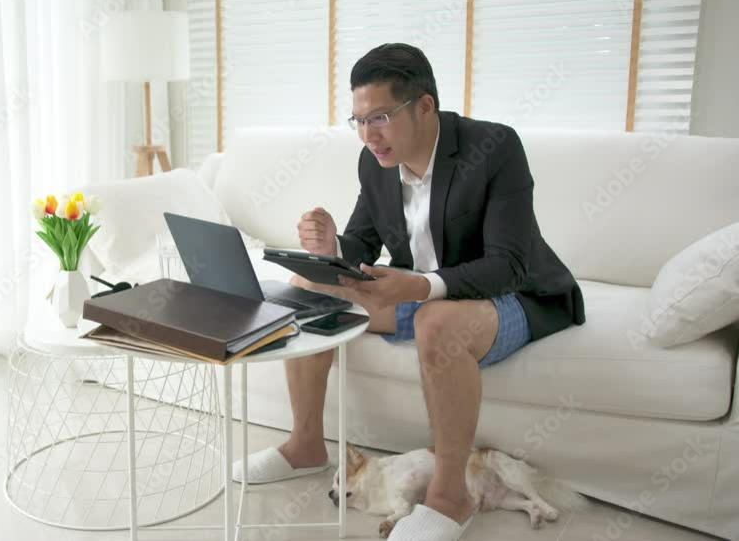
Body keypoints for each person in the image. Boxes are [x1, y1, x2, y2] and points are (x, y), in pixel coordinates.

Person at [235, 43, 585, 541]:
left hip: (514, 294)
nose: (367, 134)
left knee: (434, 320)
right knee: (307, 286)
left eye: (379, 117)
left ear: (424, 106)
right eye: (358, 120)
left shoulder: (494, 147)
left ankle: (450, 496)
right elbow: (363, 243)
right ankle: (305, 445)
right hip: (424, 293)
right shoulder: (374, 161)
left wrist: (421, 286)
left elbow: (508, 265)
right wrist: (333, 246)